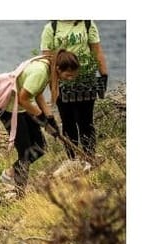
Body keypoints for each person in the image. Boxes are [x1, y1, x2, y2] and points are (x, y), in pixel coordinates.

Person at [0, 50, 79, 194]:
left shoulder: (48, 68)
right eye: (68, 75)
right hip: (9, 109)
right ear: (59, 69)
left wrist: (50, 119)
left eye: (74, 75)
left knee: (40, 147)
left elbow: (38, 94)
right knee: (25, 152)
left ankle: (10, 173)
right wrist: (42, 119)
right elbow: (23, 98)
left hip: (22, 107)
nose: (70, 78)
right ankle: (19, 190)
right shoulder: (41, 72)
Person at [41, 20, 109, 160]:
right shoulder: (51, 28)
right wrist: (52, 87)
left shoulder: (87, 24)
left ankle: (89, 157)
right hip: (62, 81)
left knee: (86, 122)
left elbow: (97, 51)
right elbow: (47, 60)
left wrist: (104, 75)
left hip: (85, 80)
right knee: (68, 122)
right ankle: (73, 159)